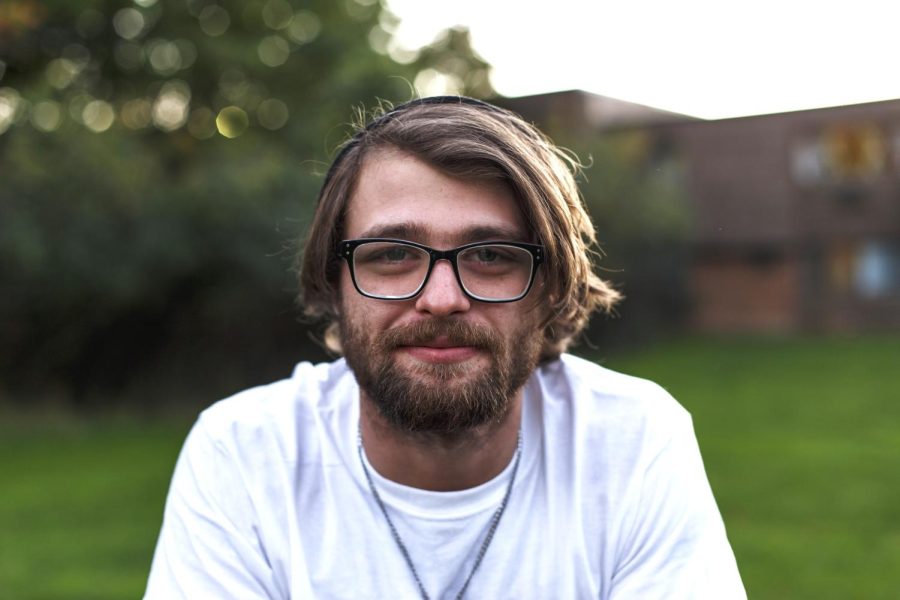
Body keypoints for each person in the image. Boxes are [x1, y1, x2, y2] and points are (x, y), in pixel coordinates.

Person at [144, 96, 746, 599]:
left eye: (490, 256)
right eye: (391, 255)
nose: (440, 298)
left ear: (552, 287)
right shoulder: (244, 454)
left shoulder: (633, 440)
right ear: (334, 281)